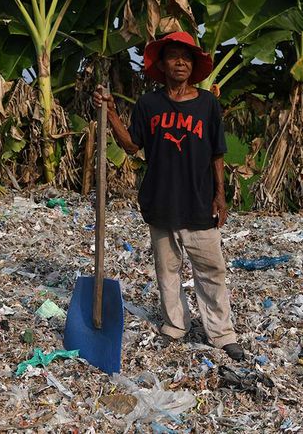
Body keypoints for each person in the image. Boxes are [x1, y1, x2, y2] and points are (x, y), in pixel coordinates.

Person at [92, 31, 245, 361]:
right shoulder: (150, 104)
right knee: (167, 270)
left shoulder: (208, 104)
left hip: (199, 201)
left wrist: (221, 197)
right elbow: (132, 145)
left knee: (211, 271)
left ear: (194, 66)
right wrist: (111, 111)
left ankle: (221, 333)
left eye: (187, 58)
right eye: (174, 56)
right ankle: (175, 325)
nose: (181, 62)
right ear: (161, 64)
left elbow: (218, 154)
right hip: (160, 199)